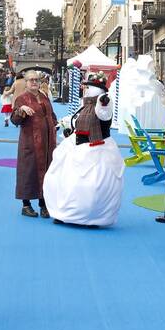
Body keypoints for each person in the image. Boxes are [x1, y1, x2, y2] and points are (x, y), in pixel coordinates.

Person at [43, 71, 125, 226]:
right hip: (78, 147)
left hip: (97, 150)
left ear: (98, 90)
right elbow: (78, 122)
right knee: (64, 179)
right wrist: (70, 131)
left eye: (90, 87)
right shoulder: (85, 105)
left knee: (91, 186)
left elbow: (104, 111)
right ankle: (65, 214)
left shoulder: (102, 103)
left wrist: (104, 100)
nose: (86, 89)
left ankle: (91, 217)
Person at [12, 70, 57, 218]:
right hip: (30, 142)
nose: (34, 82)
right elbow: (14, 120)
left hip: (47, 143)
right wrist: (21, 110)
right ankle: (26, 205)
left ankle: (44, 204)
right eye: (31, 80)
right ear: (26, 82)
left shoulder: (44, 97)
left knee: (47, 172)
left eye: (36, 79)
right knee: (28, 172)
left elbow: (51, 115)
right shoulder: (21, 98)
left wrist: (57, 125)